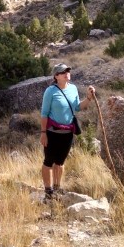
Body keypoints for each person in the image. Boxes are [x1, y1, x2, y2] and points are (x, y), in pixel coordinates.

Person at [40, 62, 95, 201]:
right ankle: (48, 191)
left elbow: (77, 107)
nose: (67, 74)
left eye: (68, 71)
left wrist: (88, 98)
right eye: (63, 72)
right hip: (52, 132)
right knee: (48, 162)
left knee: (60, 162)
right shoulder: (50, 91)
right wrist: (43, 133)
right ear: (56, 76)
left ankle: (57, 188)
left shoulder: (73, 89)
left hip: (68, 133)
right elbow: (44, 113)